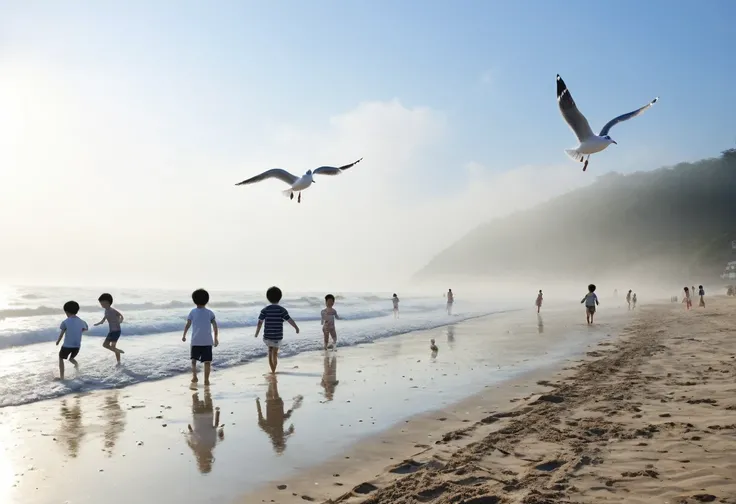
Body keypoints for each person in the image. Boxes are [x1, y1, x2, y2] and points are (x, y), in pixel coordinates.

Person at [255, 286, 299, 374]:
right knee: (275, 352)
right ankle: (274, 369)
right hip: (278, 336)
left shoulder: (265, 310)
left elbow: (260, 322)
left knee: (270, 350)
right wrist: (296, 328)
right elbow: (289, 320)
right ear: (280, 298)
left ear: (268, 298)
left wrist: (257, 333)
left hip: (267, 336)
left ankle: (272, 370)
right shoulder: (282, 310)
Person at [182, 288, 219, 385]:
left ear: (194, 300)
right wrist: (216, 338)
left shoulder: (192, 312)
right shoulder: (209, 313)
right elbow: (215, 326)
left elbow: (188, 324)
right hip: (207, 341)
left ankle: (194, 377)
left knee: (194, 360)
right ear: (207, 300)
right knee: (207, 362)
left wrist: (184, 335)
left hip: (195, 341)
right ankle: (206, 380)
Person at [56, 301, 88, 380]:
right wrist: (77, 331)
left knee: (61, 358)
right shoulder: (81, 321)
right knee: (71, 358)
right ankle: (77, 367)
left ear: (66, 312)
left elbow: (62, 333)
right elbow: (85, 329)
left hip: (67, 346)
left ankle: (62, 377)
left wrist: (58, 341)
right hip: (77, 346)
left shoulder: (65, 322)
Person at [94, 293, 125, 365]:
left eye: (103, 303)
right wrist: (101, 322)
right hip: (111, 331)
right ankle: (118, 352)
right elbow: (105, 316)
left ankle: (118, 361)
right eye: (101, 303)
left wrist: (120, 320)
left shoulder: (112, 310)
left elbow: (120, 315)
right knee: (105, 345)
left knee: (113, 347)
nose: (102, 305)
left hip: (116, 331)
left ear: (108, 303)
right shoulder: (106, 310)